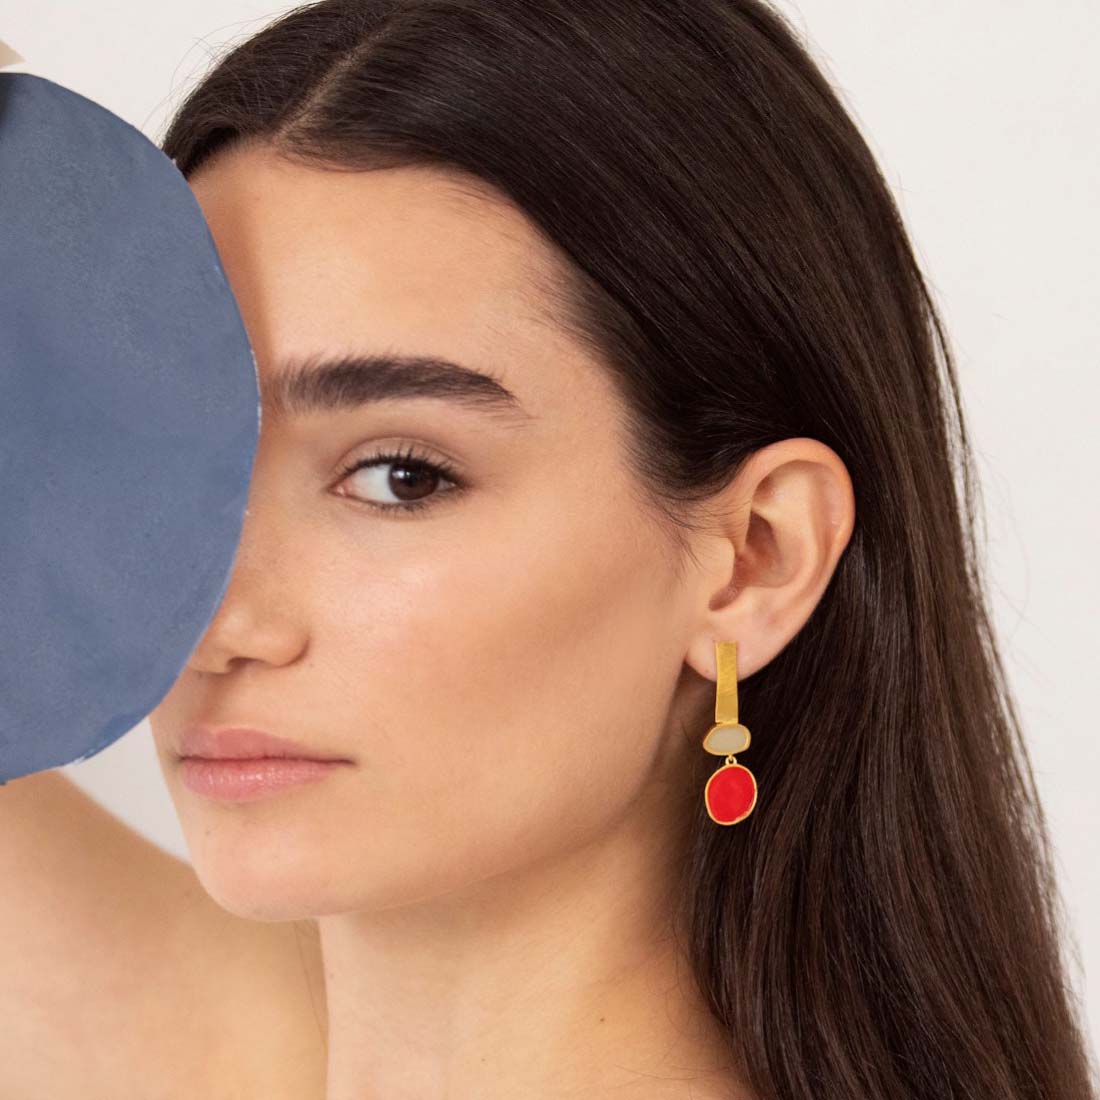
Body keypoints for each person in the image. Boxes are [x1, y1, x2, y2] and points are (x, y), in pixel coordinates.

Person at [4, 1, 1096, 1098]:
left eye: (400, 476)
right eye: (167, 463)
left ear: (756, 555)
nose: (206, 618)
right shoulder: (238, 1042)